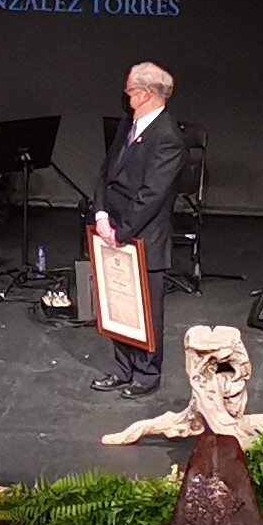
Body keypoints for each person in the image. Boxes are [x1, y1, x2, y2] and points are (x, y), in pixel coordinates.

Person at [90, 62, 188, 397]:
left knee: (146, 307)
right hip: (112, 228)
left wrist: (123, 230)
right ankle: (122, 368)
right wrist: (101, 214)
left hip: (142, 235)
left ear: (145, 94)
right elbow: (107, 171)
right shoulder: (126, 124)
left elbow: (152, 194)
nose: (126, 95)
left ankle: (146, 373)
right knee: (117, 302)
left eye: (130, 90)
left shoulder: (168, 137)